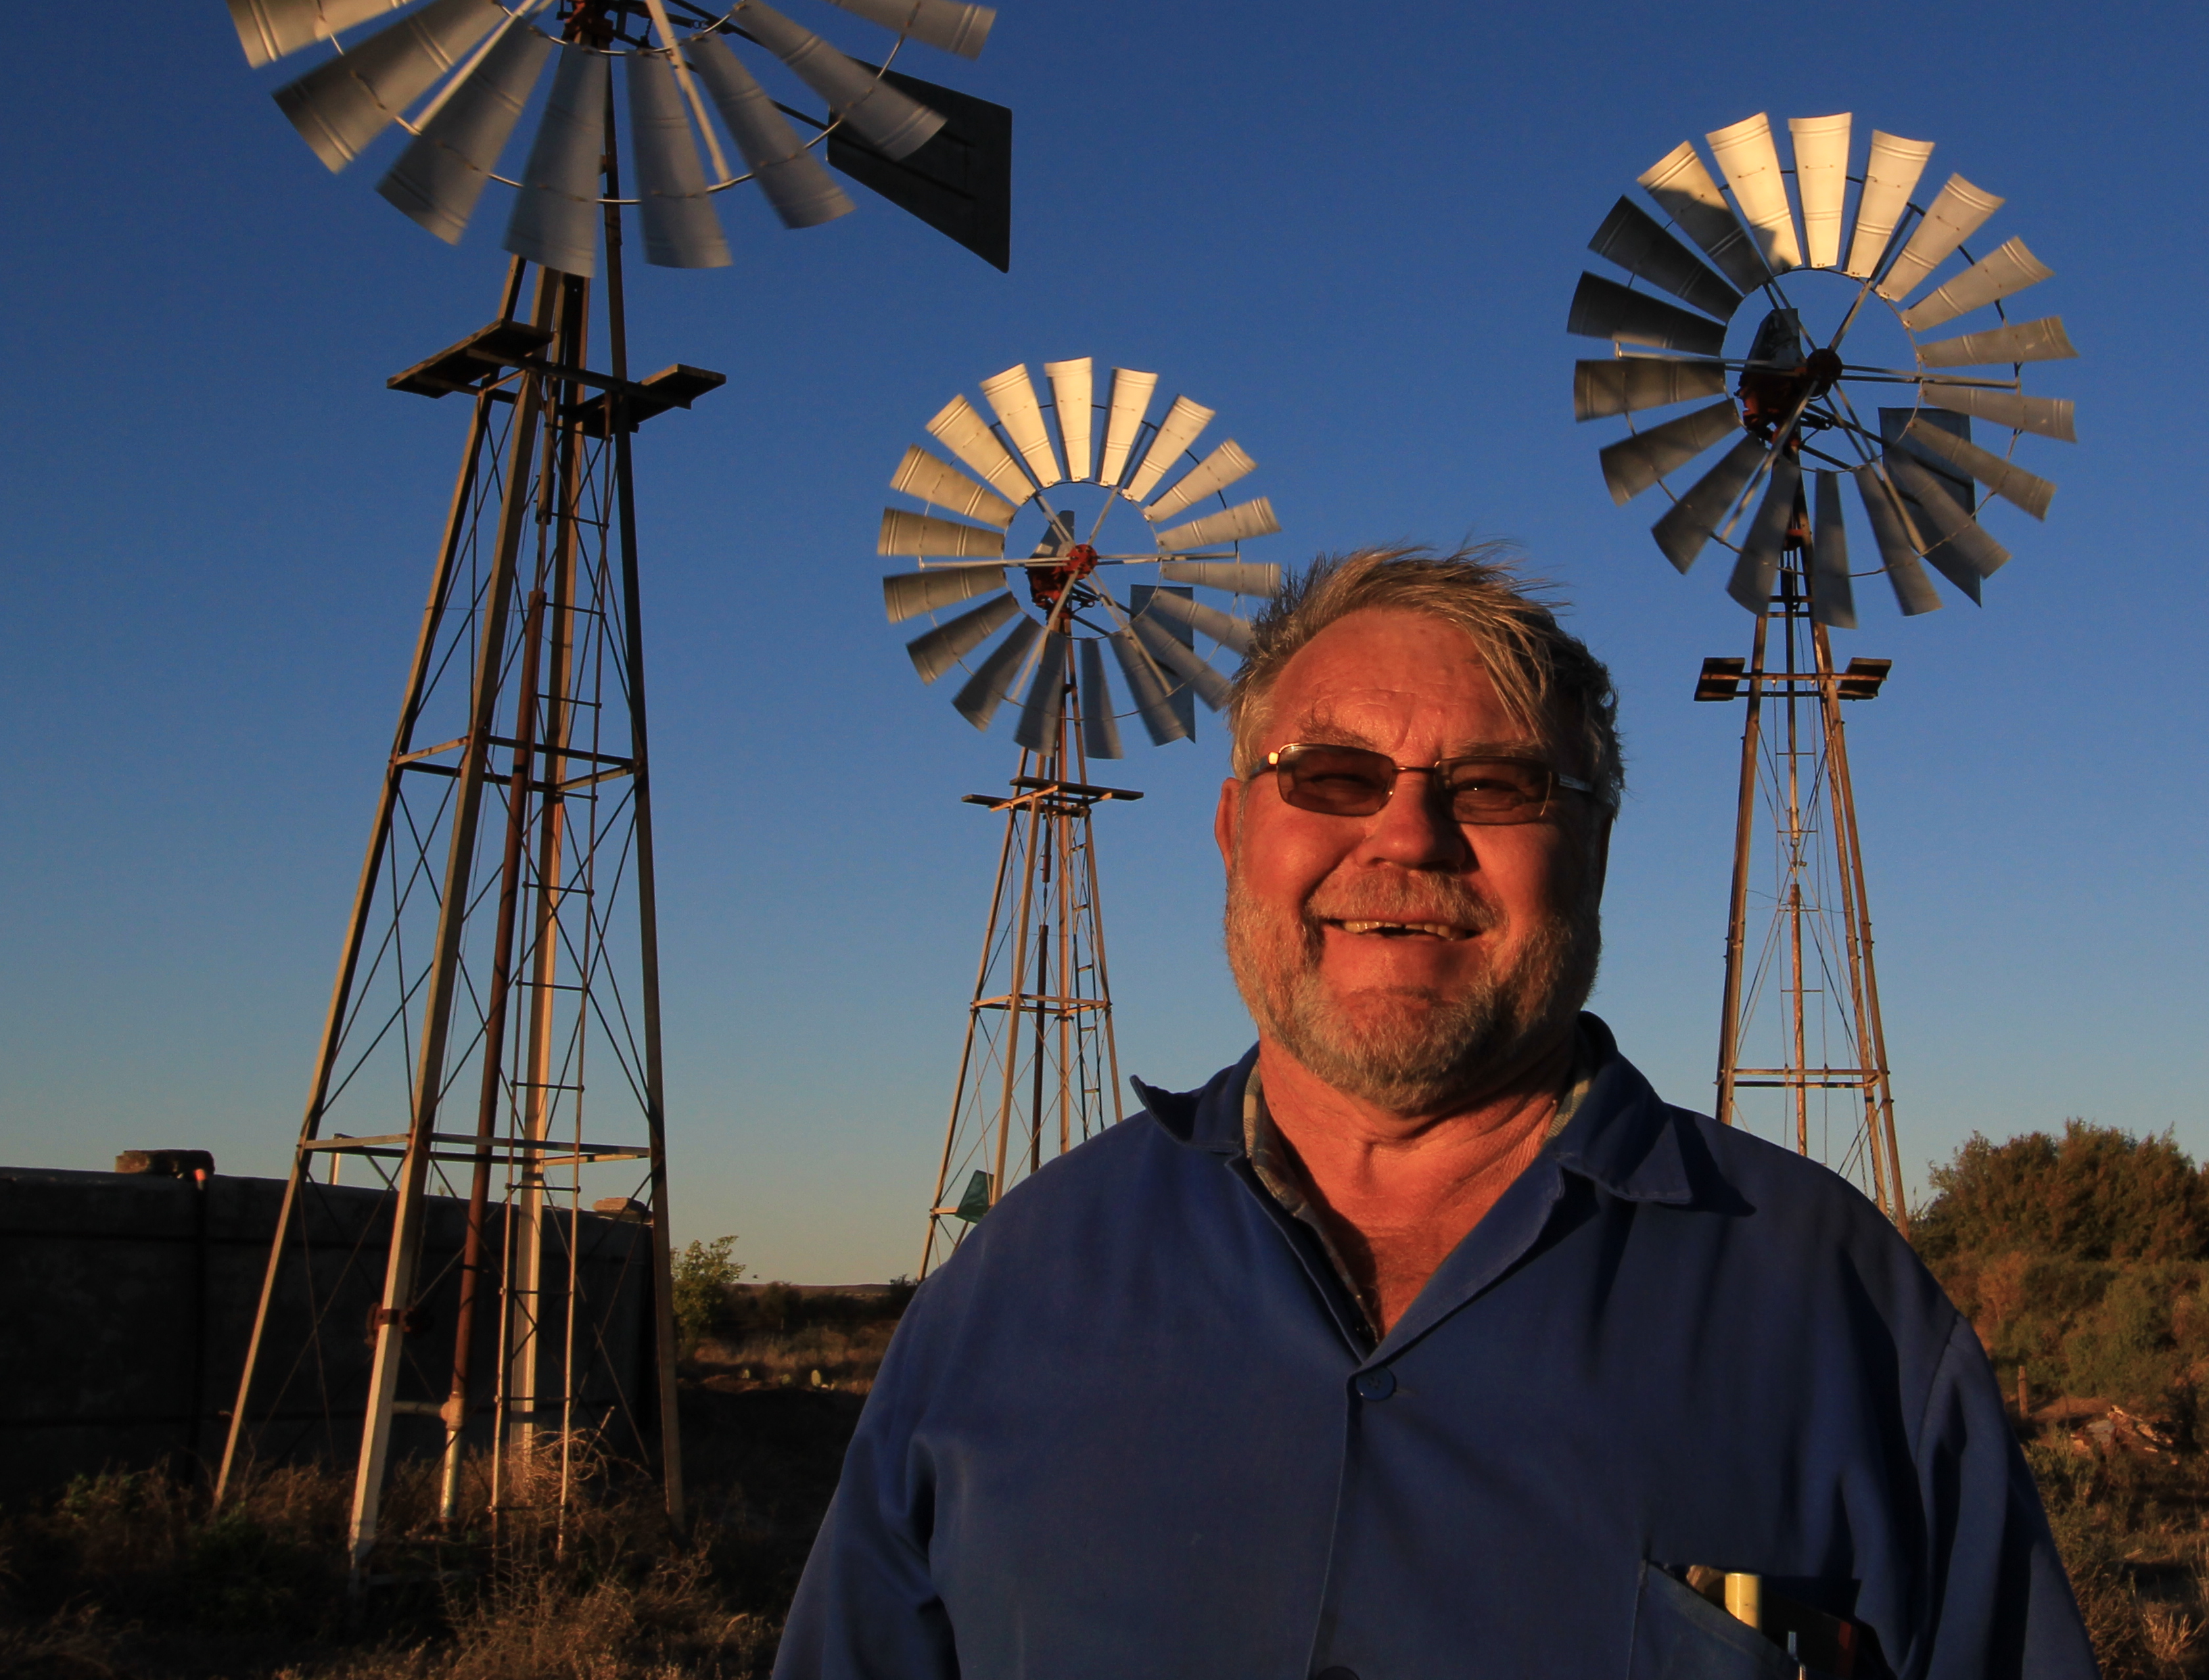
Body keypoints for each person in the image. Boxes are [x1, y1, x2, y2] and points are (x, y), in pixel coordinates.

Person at [774, 546, 2095, 1679]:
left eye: (1496, 787)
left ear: (1593, 851)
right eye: (1333, 775)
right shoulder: (1018, 1282)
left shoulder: (1836, 1307)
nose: (1407, 837)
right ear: (1237, 832)